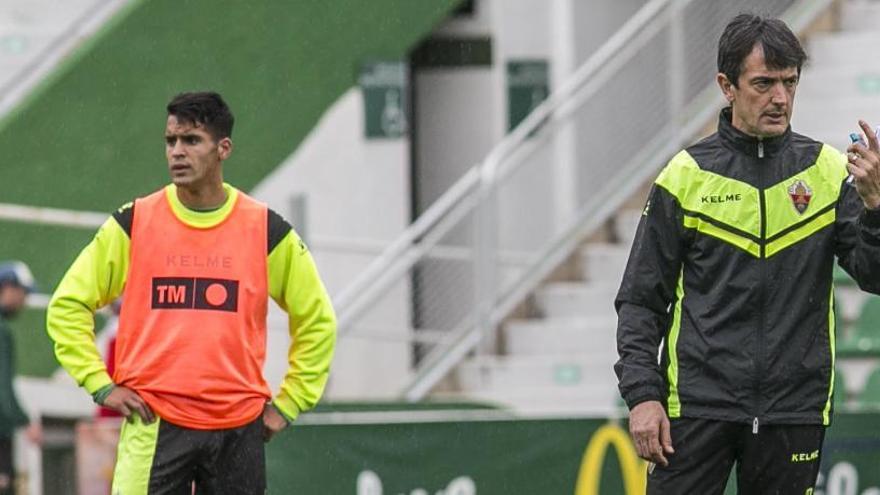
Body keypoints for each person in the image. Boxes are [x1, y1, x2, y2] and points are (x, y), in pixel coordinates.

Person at [614, 13, 880, 494]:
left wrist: (877, 210)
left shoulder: (825, 172)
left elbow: (873, 276)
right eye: (764, 83)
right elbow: (639, 300)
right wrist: (642, 396)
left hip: (793, 410)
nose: (780, 98)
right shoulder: (685, 176)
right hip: (695, 408)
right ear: (727, 85)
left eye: (789, 82)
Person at [46, 91, 337, 494]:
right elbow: (68, 304)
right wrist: (100, 383)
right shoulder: (135, 222)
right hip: (154, 425)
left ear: (223, 149)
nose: (177, 153)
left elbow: (317, 321)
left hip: (238, 429)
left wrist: (290, 404)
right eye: (171, 141)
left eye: (191, 141)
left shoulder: (266, 230)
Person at [0, 261, 41, 494]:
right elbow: (2, 388)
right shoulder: (2, 331)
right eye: (23, 293)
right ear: (7, 287)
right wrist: (24, 420)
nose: (24, 301)